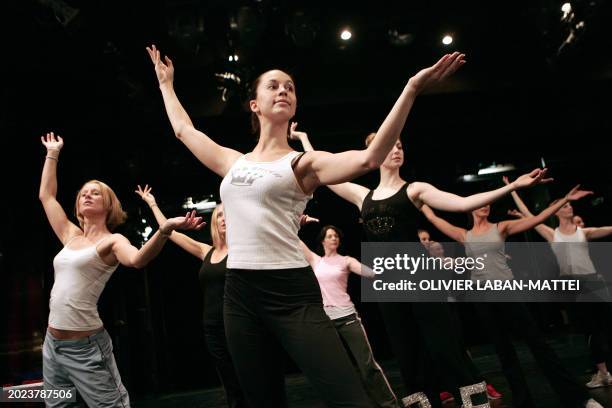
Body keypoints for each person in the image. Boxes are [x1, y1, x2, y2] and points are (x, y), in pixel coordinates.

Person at [146, 42, 467, 407]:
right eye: (273, 85)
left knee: (350, 397)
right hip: (240, 295)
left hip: (291, 292)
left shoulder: (305, 164)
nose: (283, 89)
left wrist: (411, 88)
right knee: (262, 400)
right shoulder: (233, 162)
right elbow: (185, 131)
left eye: (290, 87)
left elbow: (370, 156)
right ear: (254, 104)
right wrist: (165, 84)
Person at [292, 122, 551, 406]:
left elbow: (463, 203)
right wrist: (304, 139)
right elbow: (324, 173)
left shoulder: (415, 190)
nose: (397, 150)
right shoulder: (362, 196)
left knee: (444, 347)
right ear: (375, 152)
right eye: (390, 145)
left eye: (400, 146)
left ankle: (475, 402)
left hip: (419, 278)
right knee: (408, 353)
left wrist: (513, 185)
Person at [39, 132, 203, 407]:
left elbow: (138, 260)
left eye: (96, 193)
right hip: (52, 345)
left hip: (86, 348)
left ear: (108, 205)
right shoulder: (70, 235)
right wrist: (52, 153)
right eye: (84, 194)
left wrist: (164, 230)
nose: (88, 196)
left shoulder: (112, 242)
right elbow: (46, 195)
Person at [420, 183, 602, 408]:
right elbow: (431, 216)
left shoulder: (501, 227)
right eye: (480, 202)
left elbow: (536, 219)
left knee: (538, 345)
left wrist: (565, 199)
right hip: (483, 298)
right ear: (470, 208)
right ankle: (522, 401)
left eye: (488, 202)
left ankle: (579, 398)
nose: (485, 205)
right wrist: (417, 197)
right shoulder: (464, 235)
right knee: (504, 353)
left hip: (507, 292)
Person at [135, 185, 245, 407]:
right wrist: (153, 204)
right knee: (230, 384)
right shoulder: (206, 251)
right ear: (214, 222)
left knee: (248, 379)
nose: (224, 219)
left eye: (228, 215)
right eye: (220, 215)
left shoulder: (243, 250)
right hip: (213, 327)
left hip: (240, 325)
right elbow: (170, 232)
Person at [505, 176, 612, 390]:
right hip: (573, 285)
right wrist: (512, 189)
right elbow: (528, 215)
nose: (569, 207)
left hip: (593, 282)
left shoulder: (584, 232)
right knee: (590, 330)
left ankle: (603, 371)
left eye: (570, 204)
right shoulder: (551, 234)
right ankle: (602, 372)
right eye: (565, 205)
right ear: (557, 211)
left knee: (604, 327)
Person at [299, 225, 399, 408]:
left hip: (347, 318)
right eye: (329, 236)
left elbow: (370, 272)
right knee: (336, 370)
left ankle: (390, 404)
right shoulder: (316, 261)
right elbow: (294, 239)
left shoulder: (346, 261)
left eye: (336, 235)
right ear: (322, 240)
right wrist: (298, 220)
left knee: (367, 366)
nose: (334, 238)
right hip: (326, 322)